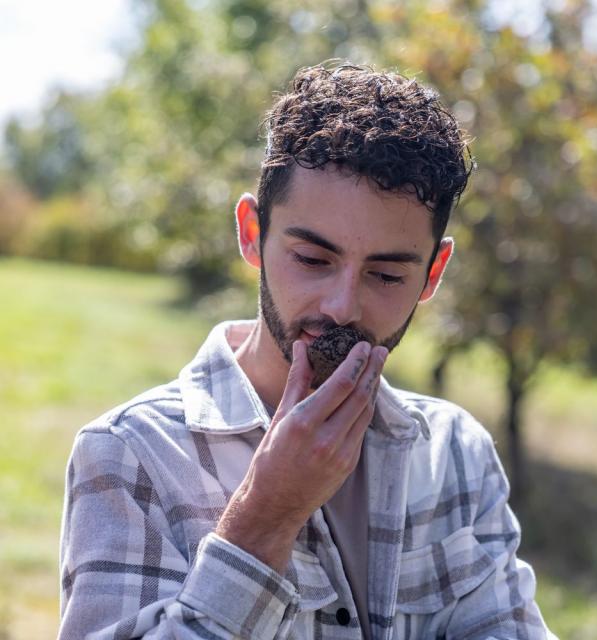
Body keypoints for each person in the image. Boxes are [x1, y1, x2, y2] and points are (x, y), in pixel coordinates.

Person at [59, 63, 556, 640]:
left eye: (387, 274)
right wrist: (265, 519)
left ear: (432, 273)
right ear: (252, 232)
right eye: (313, 260)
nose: (342, 306)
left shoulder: (458, 453)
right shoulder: (130, 456)